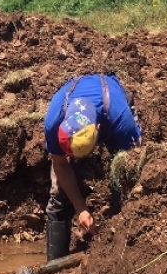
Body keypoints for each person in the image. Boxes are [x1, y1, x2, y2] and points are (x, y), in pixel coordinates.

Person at [43, 73, 142, 259]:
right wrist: (80, 208)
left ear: (98, 130)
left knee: (124, 180)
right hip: (83, 116)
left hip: (111, 110)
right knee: (58, 194)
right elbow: (60, 164)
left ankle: (117, 247)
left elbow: (134, 163)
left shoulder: (121, 121)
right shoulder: (54, 122)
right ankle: (53, 270)